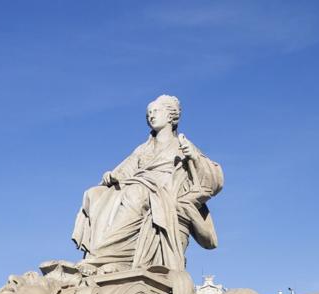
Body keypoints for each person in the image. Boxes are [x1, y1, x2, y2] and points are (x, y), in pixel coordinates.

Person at [72, 94, 224, 273]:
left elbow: (214, 180)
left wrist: (194, 157)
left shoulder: (181, 146)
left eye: (156, 111)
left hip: (163, 193)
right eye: (149, 113)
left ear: (170, 116)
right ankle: (101, 256)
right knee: (94, 194)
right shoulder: (143, 148)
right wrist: (112, 176)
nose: (151, 115)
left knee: (136, 192)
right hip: (139, 186)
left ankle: (104, 255)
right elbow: (126, 169)